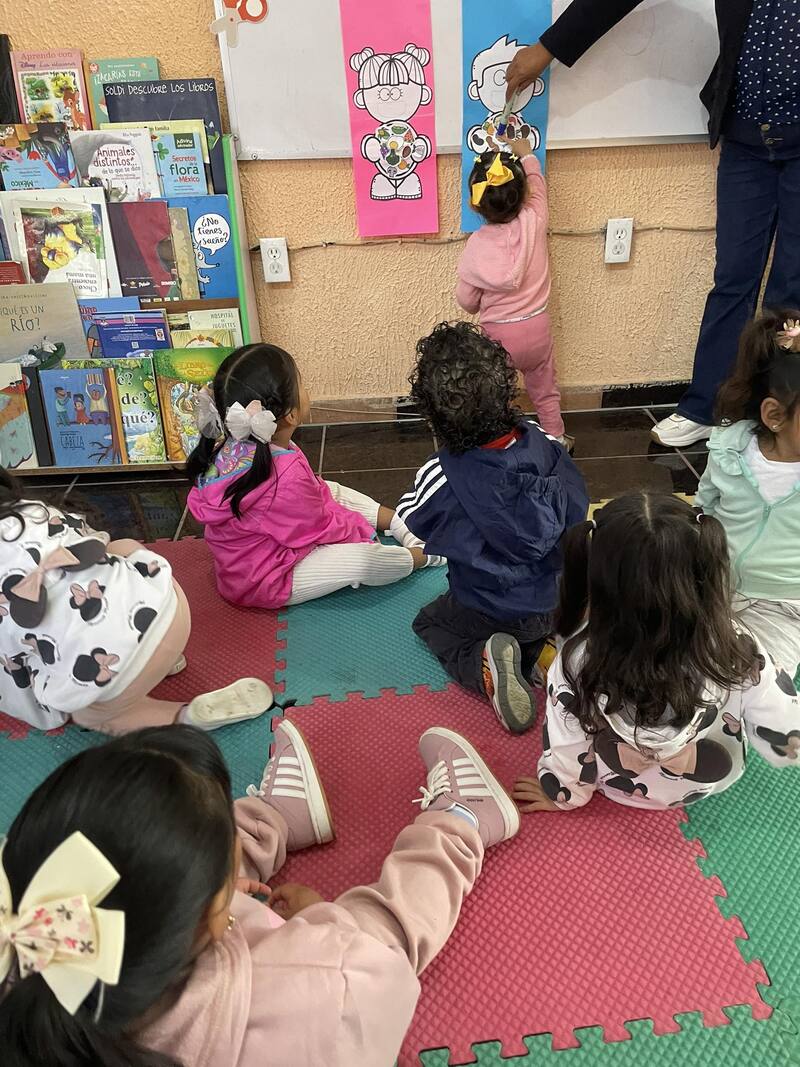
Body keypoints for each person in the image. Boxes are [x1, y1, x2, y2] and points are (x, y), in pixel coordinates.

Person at [0, 720, 520, 1066]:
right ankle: (464, 817)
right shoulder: (324, 988)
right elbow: (383, 980)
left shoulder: (23, 941)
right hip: (290, 996)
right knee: (384, 930)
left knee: (142, 858)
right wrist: (320, 923)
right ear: (211, 920)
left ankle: (269, 822)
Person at [505, 0, 800, 450]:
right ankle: (710, 407)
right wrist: (549, 47)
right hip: (746, 138)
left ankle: (777, 417)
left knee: (791, 290)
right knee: (732, 278)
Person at [512, 493, 800, 814]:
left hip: (621, 781)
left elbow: (568, 740)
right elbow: (780, 716)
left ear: (600, 578)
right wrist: (788, 743)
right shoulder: (734, 644)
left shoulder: (578, 660)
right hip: (704, 780)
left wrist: (563, 790)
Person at [398, 322, 588, 734]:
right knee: (529, 617)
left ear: (433, 418)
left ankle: (485, 662)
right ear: (508, 389)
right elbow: (577, 506)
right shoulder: (543, 441)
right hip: (554, 603)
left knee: (428, 621)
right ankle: (540, 652)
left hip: (486, 609)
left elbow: (411, 516)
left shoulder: (442, 474)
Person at [0, 467, 271, 734]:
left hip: (114, 675)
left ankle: (183, 717)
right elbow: (94, 543)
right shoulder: (33, 509)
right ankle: (168, 656)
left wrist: (47, 711)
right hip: (171, 610)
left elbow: (10, 666)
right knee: (121, 547)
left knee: (87, 714)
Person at [187, 344, 442, 609]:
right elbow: (322, 529)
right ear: (290, 414)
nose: (306, 390)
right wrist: (362, 533)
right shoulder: (284, 473)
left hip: (262, 548)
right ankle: (421, 555)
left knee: (328, 489)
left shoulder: (244, 443)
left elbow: (311, 502)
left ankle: (402, 522)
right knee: (363, 561)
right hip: (263, 578)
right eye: (301, 383)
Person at [696, 311, 800, 687]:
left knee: (761, 684)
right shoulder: (728, 449)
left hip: (786, 606)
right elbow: (703, 509)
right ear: (774, 415)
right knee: (682, 664)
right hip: (715, 591)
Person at [457, 137, 571, 449]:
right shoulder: (535, 220)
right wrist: (527, 154)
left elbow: (467, 302)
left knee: (496, 394)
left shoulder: (476, 247)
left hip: (498, 337)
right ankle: (557, 439)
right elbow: (538, 186)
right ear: (523, 196)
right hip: (537, 328)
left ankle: (501, 445)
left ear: (474, 202)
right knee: (545, 388)